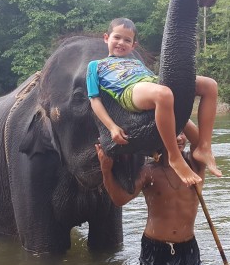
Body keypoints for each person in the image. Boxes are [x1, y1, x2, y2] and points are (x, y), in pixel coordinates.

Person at [87, 18, 222, 186]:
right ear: (106, 37)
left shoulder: (136, 62)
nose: (121, 43)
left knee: (209, 85)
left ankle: (204, 146)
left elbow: (154, 80)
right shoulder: (95, 65)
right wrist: (112, 127)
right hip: (129, 90)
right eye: (117, 37)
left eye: (127, 40)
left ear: (133, 45)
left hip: (154, 83)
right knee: (162, 94)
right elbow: (94, 100)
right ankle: (174, 156)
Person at [95, 120, 206, 265]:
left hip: (187, 248)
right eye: (173, 134)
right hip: (154, 247)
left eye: (181, 133)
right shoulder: (149, 171)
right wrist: (106, 171)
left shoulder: (195, 163)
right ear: (161, 137)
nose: (180, 138)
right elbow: (120, 200)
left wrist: (176, 109)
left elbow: (201, 140)